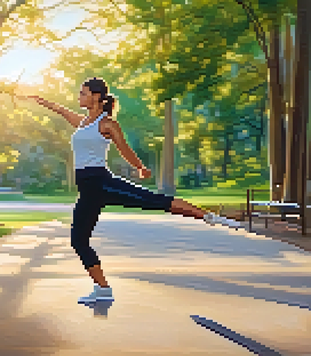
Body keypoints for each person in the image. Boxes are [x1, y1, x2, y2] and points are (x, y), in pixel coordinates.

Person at [18, 77, 242, 303]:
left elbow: (124, 148)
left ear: (96, 96)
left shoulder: (107, 124)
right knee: (78, 240)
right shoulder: (83, 122)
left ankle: (210, 217)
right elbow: (59, 109)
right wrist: (35, 98)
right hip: (87, 191)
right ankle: (103, 288)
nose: (79, 96)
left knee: (156, 200)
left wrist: (140, 168)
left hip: (101, 183)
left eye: (83, 93)